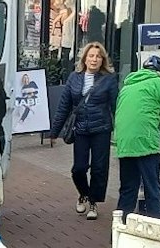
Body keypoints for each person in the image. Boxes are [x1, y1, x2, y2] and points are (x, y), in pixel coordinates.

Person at [47, 40, 118, 220]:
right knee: (78, 169)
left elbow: (116, 106)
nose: (94, 60)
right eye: (91, 56)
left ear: (103, 60)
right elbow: (64, 106)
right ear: (85, 58)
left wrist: (119, 130)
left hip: (101, 128)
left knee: (99, 169)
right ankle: (83, 193)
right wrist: (54, 132)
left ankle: (93, 202)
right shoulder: (74, 77)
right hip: (80, 129)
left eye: (98, 57)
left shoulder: (109, 80)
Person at [113, 55, 160, 218]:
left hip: (124, 143)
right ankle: (154, 232)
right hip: (146, 143)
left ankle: (119, 233)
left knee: (128, 190)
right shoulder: (158, 82)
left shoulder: (127, 86)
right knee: (152, 190)